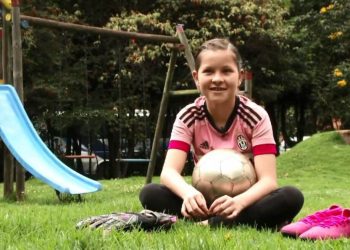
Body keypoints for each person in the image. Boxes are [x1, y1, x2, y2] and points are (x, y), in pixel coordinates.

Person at [139, 38, 304, 229]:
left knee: (291, 197)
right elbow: (168, 172)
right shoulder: (188, 116)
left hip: (246, 202)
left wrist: (240, 202)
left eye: (226, 71)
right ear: (196, 77)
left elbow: (268, 181)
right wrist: (188, 194)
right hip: (205, 202)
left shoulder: (257, 116)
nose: (217, 79)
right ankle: (225, 221)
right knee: (149, 193)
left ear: (240, 76)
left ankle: (214, 222)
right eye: (208, 71)